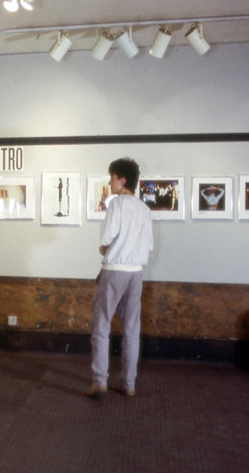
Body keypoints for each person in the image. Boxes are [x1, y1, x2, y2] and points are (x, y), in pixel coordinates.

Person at [87, 157, 153, 398]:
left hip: (114, 271)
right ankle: (129, 384)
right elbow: (147, 246)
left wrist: (104, 248)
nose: (110, 182)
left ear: (122, 180)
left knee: (101, 327)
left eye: (112, 178)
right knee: (132, 330)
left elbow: (106, 238)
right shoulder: (145, 210)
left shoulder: (117, 205)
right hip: (136, 274)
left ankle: (99, 381)